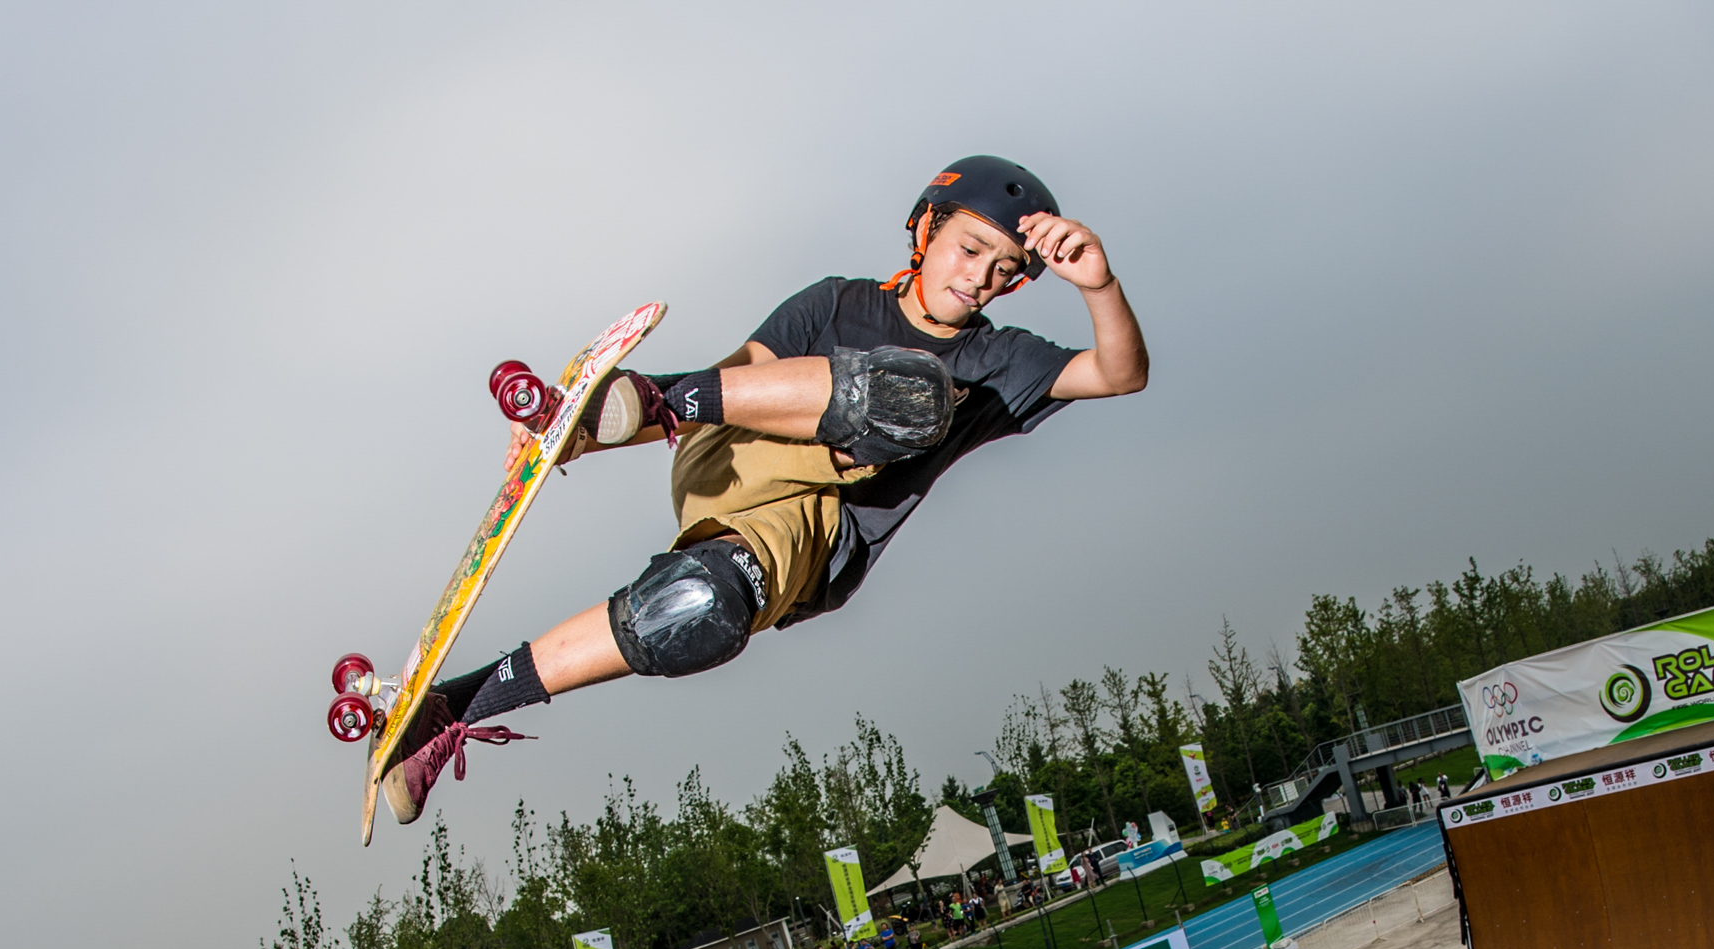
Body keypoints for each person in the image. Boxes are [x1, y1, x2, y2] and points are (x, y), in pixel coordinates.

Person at [374, 157, 1148, 827]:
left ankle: (452, 709)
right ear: (927, 230)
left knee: (691, 609)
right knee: (893, 386)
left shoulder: (999, 358)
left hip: (803, 527)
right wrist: (580, 429)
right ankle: (639, 401)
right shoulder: (837, 302)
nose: (981, 276)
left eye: (1005, 270)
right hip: (733, 457)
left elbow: (1120, 373)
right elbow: (738, 381)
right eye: (971, 248)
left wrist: (1099, 282)